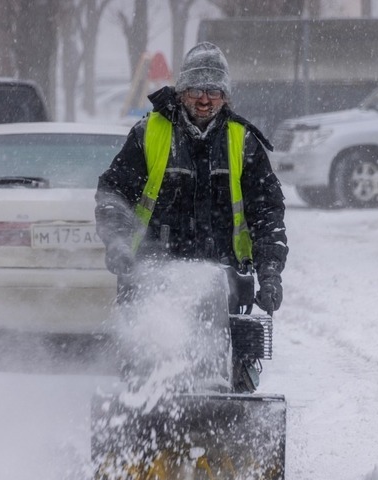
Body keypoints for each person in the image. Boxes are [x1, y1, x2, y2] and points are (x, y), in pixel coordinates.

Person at [95, 42, 288, 393]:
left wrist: (270, 270)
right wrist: (119, 243)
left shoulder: (243, 142)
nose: (205, 99)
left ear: (226, 97)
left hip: (227, 280)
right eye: (197, 88)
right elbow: (114, 195)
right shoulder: (148, 134)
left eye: (214, 90)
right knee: (145, 370)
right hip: (151, 276)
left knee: (228, 375)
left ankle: (222, 430)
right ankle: (143, 421)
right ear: (182, 90)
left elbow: (267, 213)